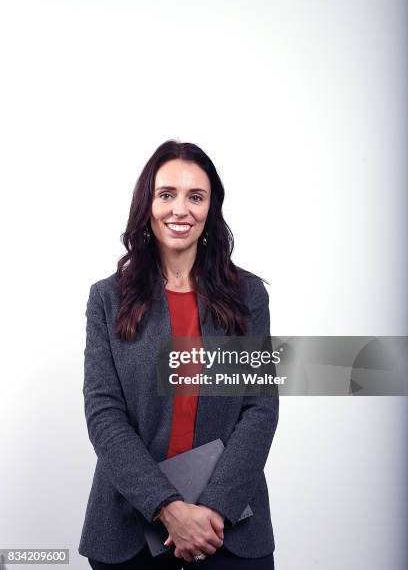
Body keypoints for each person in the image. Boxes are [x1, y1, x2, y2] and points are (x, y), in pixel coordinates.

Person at [78, 140, 279, 569]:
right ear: (147, 204)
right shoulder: (107, 299)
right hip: (130, 530)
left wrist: (212, 509)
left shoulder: (248, 296)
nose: (180, 209)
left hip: (227, 529)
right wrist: (167, 507)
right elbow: (103, 413)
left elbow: (259, 409)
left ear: (211, 209)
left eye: (196, 196)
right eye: (167, 194)